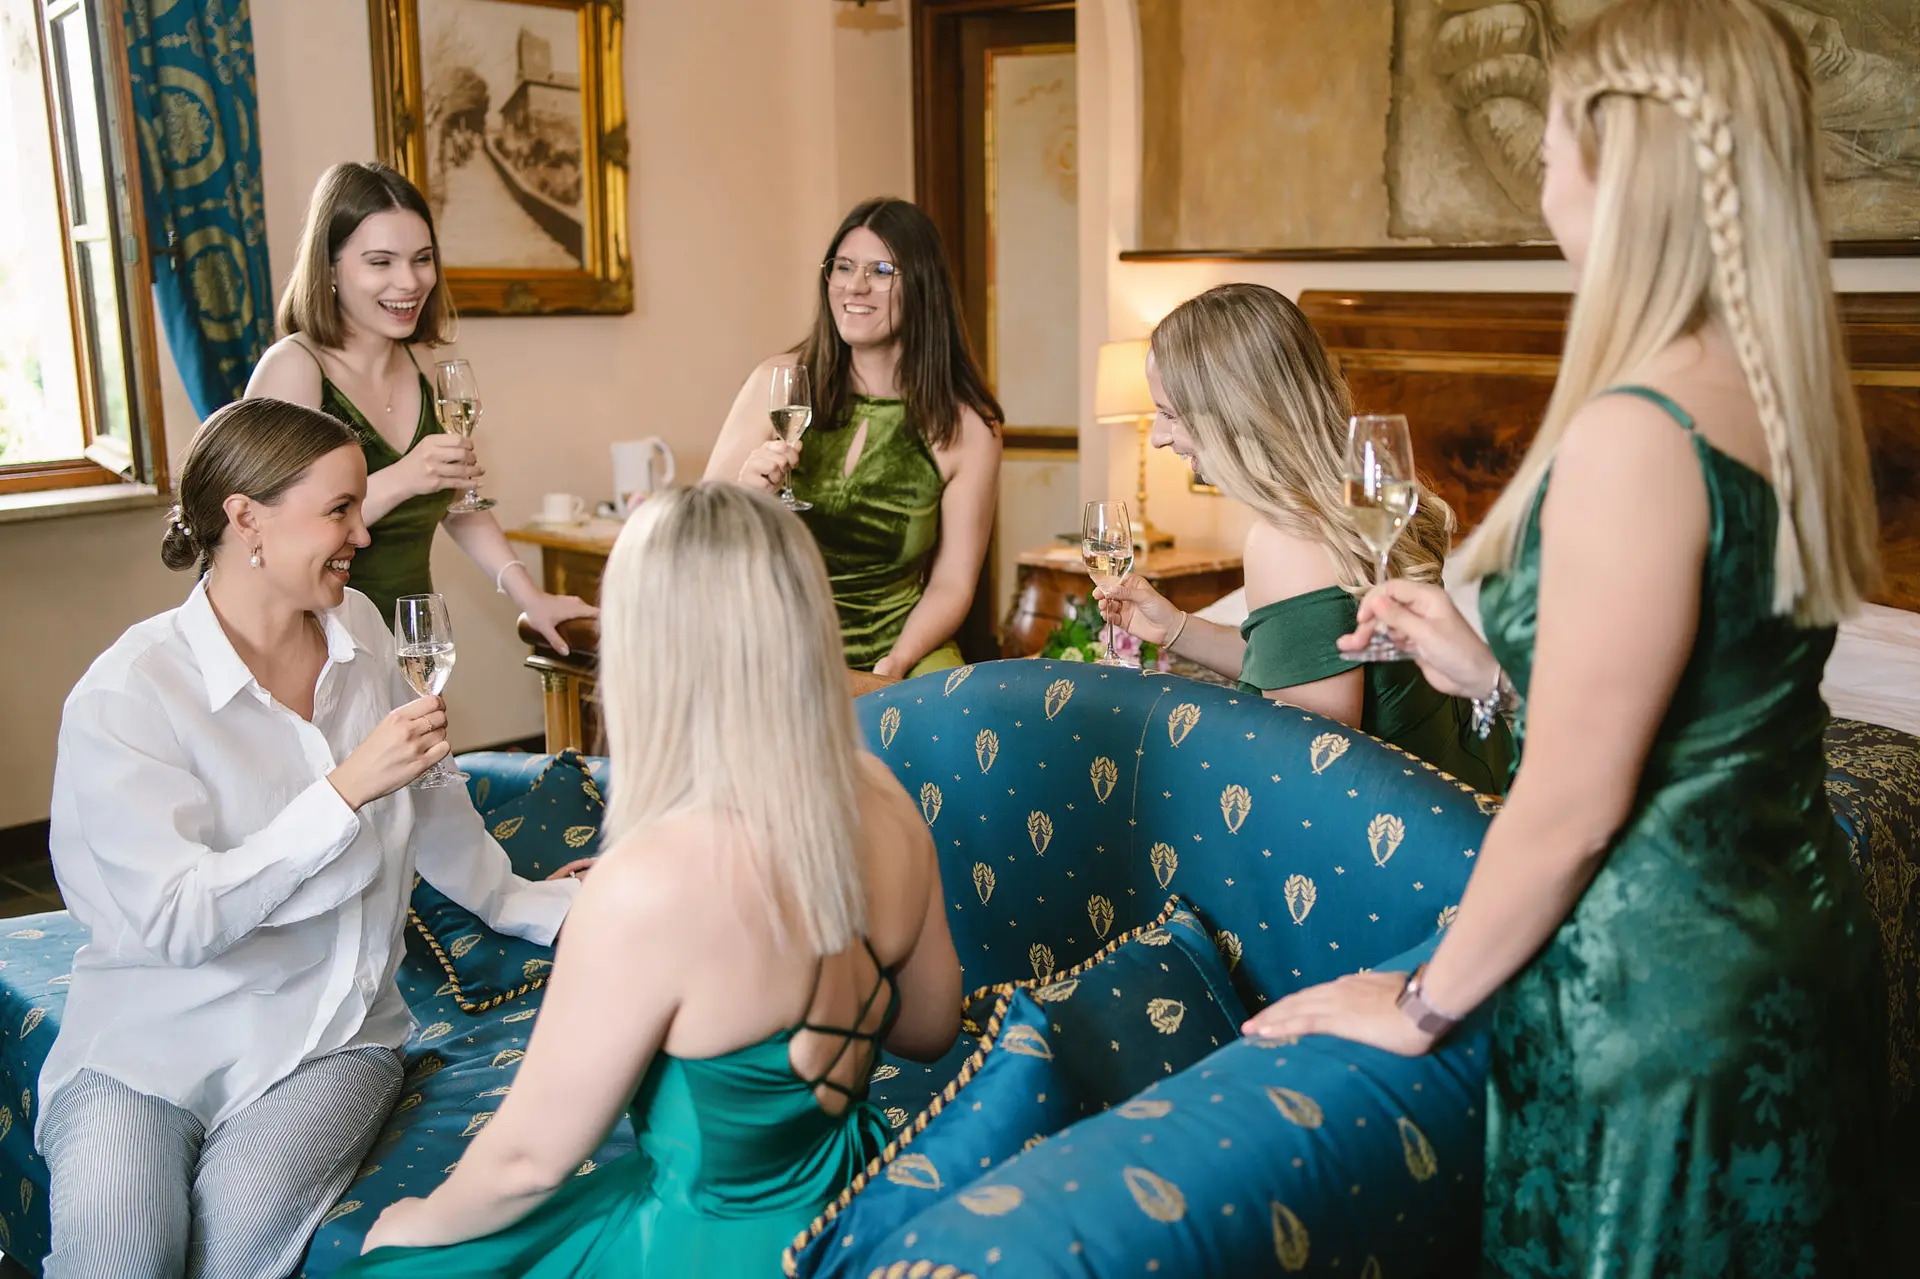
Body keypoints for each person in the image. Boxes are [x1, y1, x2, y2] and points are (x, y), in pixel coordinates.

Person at [1246, 1, 1888, 1273]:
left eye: (1546, 144)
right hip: (1796, 941)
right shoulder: (1778, 384)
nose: (1537, 181)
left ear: (1617, 161)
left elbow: (1576, 804)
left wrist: (1421, 1002)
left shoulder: (1634, 427)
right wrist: (1490, 669)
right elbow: (1713, 698)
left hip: (1661, 1002)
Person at [340, 483, 962, 1273]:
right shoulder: (884, 795)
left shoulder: (648, 883)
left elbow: (529, 1159)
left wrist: (414, 1222)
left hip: (714, 1245)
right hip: (859, 1205)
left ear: (647, 650)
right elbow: (930, 1026)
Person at [37, 398, 579, 1278]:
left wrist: (551, 906)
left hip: (332, 1028)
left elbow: (432, 804)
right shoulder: (128, 697)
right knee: (118, 1257)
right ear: (244, 516)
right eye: (340, 510)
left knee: (234, 1245)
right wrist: (342, 789)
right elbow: (177, 924)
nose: (363, 535)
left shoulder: (365, 630)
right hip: (150, 1034)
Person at [1096, 284, 1515, 795]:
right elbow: (1309, 661)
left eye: (1170, 413)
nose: (1159, 436)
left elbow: (1309, 761)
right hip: (1474, 781)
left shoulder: (1286, 538)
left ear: (1233, 410)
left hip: (1406, 827)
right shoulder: (1360, 500)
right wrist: (1176, 628)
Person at [247, 161, 595, 651]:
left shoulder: (429, 367)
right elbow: (270, 533)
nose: (409, 282)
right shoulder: (293, 369)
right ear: (330, 268)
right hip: (316, 646)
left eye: (422, 258)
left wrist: (530, 597)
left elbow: (458, 503)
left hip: (413, 646)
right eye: (381, 262)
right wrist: (406, 476)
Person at [704, 197, 1002, 678]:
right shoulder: (777, 382)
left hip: (902, 646)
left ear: (923, 286)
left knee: (959, 727)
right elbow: (698, 533)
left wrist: (895, 665)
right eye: (843, 267)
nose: (854, 286)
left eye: (882, 270)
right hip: (775, 645)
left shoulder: (969, 424)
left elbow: (951, 583)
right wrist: (746, 494)